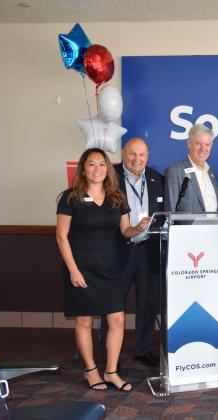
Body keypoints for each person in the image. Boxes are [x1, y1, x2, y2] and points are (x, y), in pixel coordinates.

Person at [56, 148, 151, 392]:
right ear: (83, 169)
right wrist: (73, 271)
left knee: (117, 319)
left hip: (110, 269)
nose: (97, 169)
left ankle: (111, 371)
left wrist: (139, 227)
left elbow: (126, 231)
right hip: (81, 269)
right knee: (85, 321)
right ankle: (90, 370)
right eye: (91, 164)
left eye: (101, 164)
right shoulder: (70, 198)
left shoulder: (116, 197)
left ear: (107, 169)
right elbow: (61, 237)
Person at [100, 137, 164, 368]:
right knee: (113, 303)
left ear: (148, 156)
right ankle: (108, 353)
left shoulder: (157, 178)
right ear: (124, 154)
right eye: (132, 154)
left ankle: (143, 349)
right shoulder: (109, 176)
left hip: (148, 250)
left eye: (142, 155)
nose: (137, 159)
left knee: (148, 303)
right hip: (119, 250)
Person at [164, 124, 218, 213]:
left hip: (215, 227)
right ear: (189, 144)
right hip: (186, 227)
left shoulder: (211, 173)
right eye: (198, 143)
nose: (203, 148)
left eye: (207, 144)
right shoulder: (175, 171)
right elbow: (170, 213)